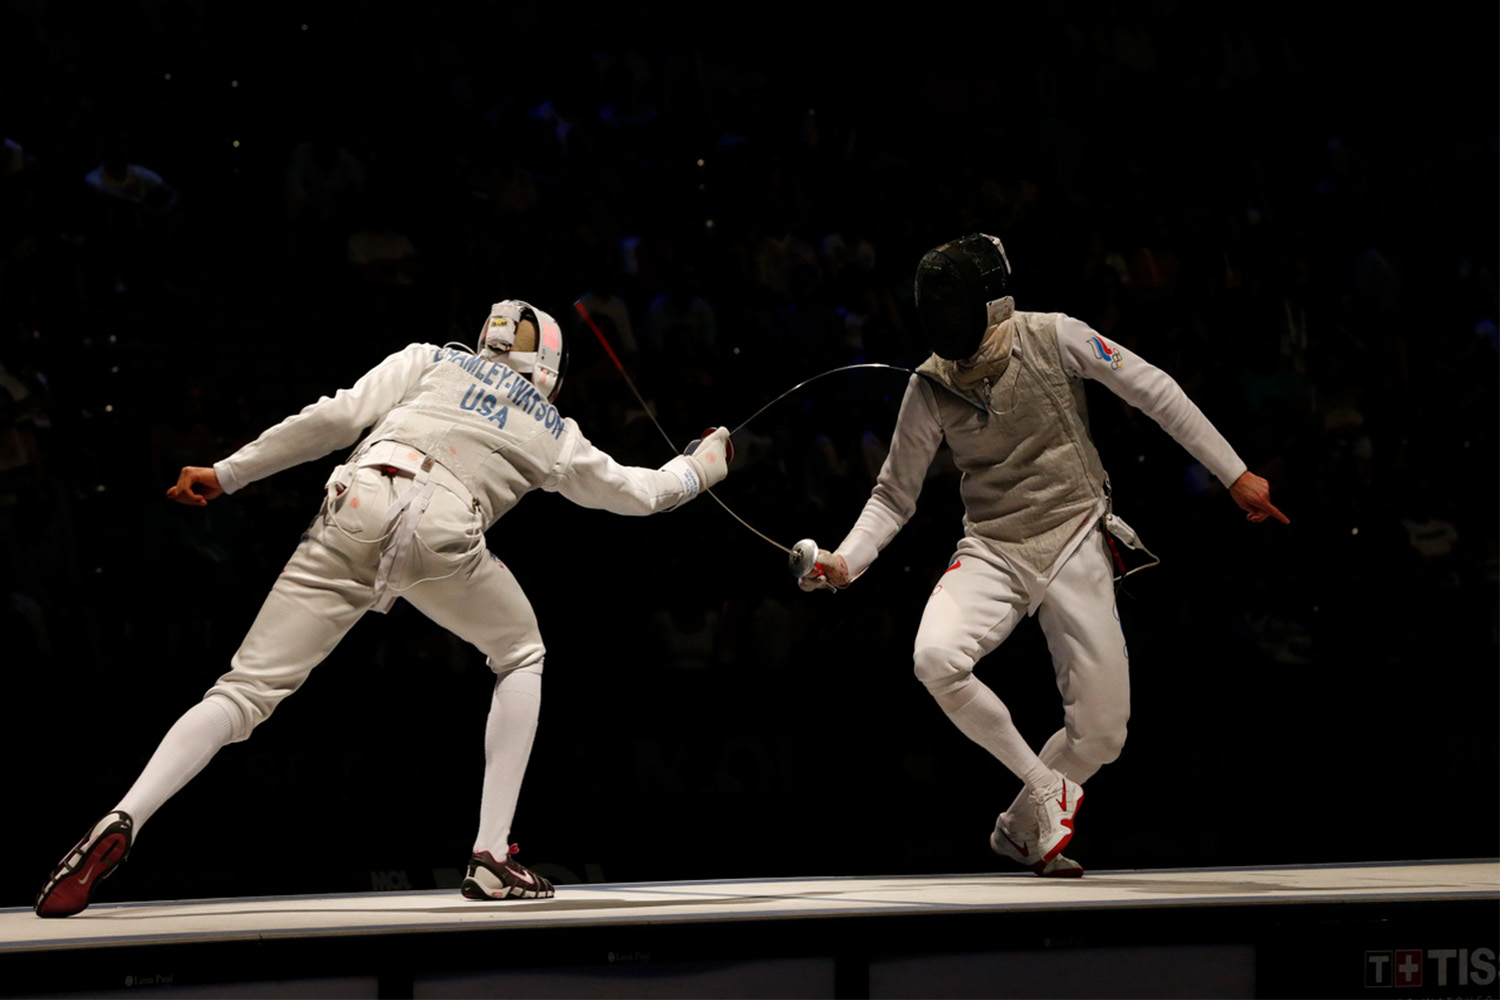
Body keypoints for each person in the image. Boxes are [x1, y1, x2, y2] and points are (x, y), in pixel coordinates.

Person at [35, 299, 732, 917]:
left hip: (357, 501)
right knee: (520, 652)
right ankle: (491, 856)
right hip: (446, 531)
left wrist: (229, 472)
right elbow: (644, 494)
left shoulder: (430, 361)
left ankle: (126, 813)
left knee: (243, 691)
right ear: (548, 366)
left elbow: (333, 418)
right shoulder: (553, 429)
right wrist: (703, 465)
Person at [799, 234, 1285, 877]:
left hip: (1074, 536)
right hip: (992, 547)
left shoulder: (1055, 336)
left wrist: (1234, 472)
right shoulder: (931, 384)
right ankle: (1044, 786)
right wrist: (845, 561)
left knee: (1103, 734)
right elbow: (893, 495)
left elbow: (1152, 389)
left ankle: (1020, 831)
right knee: (935, 659)